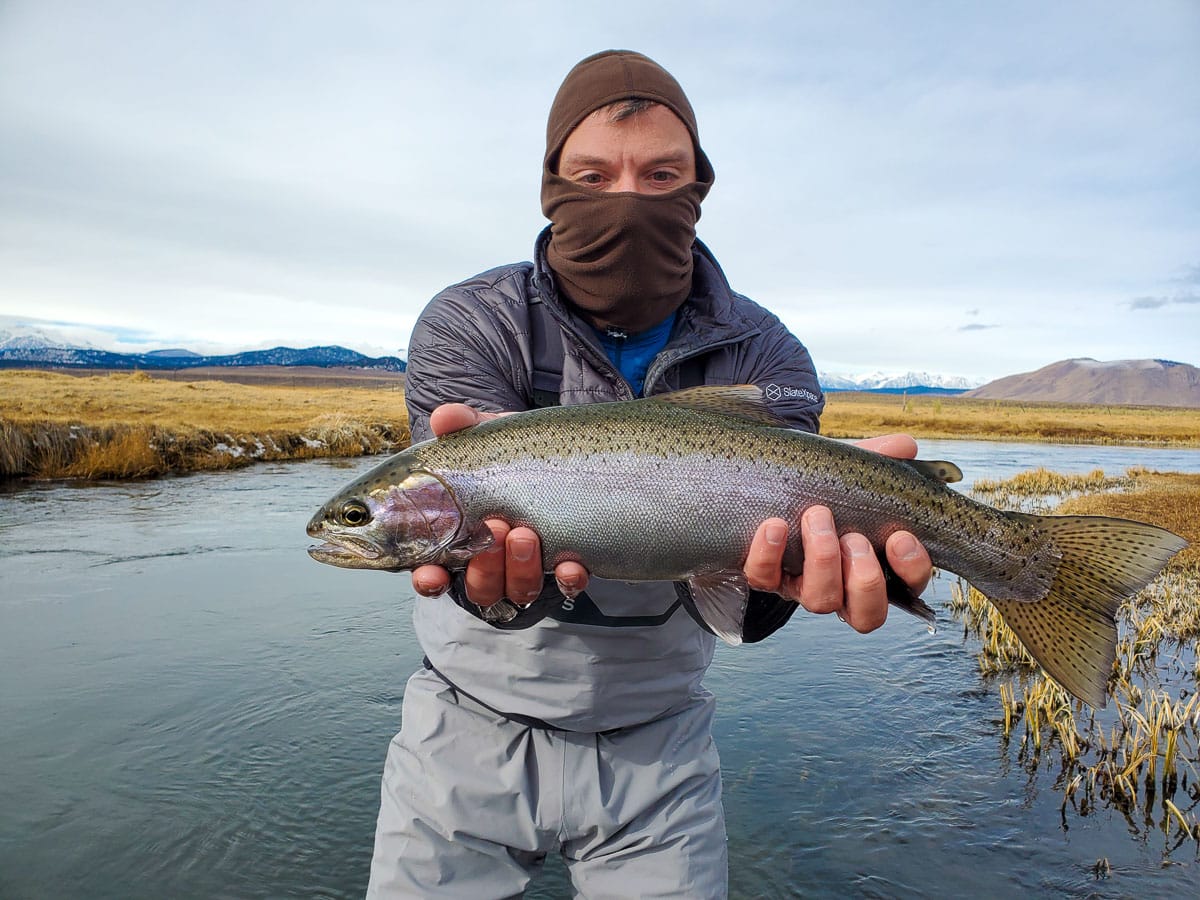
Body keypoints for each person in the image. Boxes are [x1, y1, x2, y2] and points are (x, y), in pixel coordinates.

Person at [366, 50, 933, 898]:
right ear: (551, 184)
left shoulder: (765, 351)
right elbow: (465, 561)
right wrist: (493, 587)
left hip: (661, 748)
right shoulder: (470, 322)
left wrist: (786, 584)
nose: (627, 199)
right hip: (461, 734)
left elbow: (753, 583)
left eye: (660, 175)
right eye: (593, 175)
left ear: (698, 188)